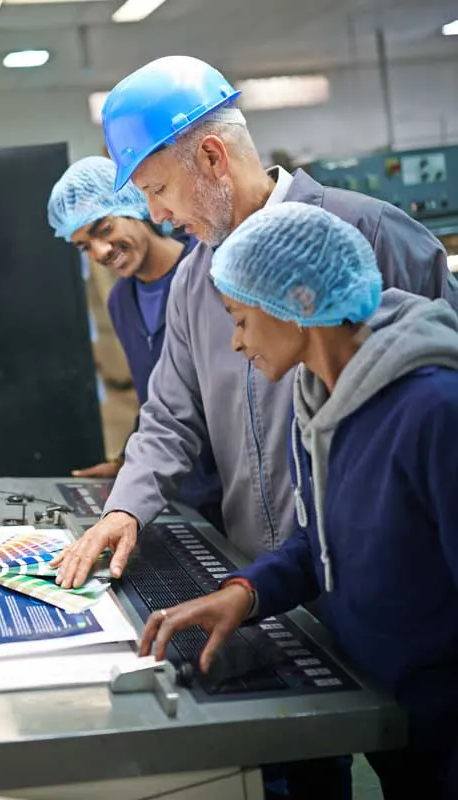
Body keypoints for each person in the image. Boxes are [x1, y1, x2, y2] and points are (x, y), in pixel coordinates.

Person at [139, 201, 458, 799]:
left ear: (301, 304)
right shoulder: (318, 400)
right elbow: (325, 540)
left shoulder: (433, 410)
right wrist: (244, 593)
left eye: (239, 319)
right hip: (388, 712)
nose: (235, 344)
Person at [47, 156, 222, 526]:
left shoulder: (209, 269)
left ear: (135, 205)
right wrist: (127, 461)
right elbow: (155, 399)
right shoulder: (121, 301)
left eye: (104, 229)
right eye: (83, 246)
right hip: (177, 490)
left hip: (232, 484)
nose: (100, 252)